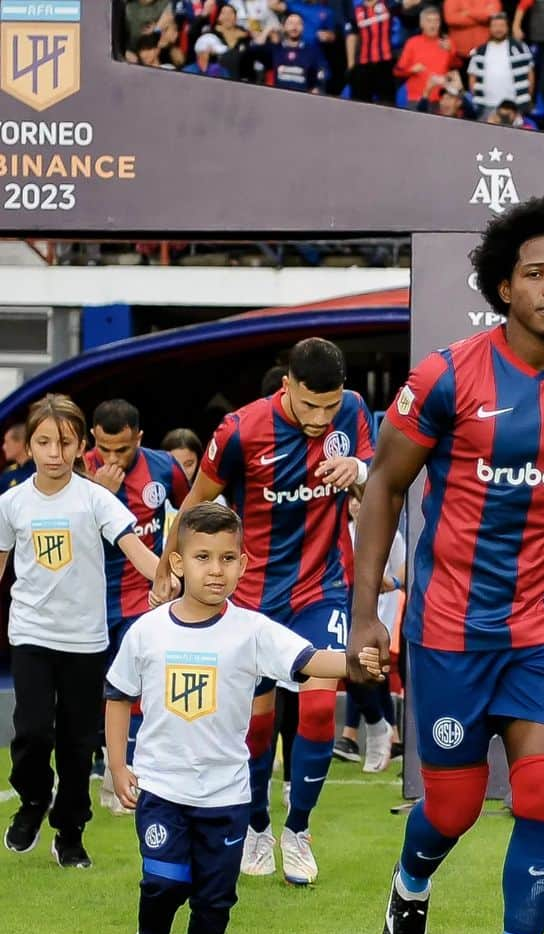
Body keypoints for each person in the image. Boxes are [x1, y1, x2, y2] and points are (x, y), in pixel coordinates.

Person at [347, 197, 544, 934]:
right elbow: (383, 489)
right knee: (458, 808)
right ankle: (410, 887)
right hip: (448, 630)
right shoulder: (446, 375)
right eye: (536, 275)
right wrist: (366, 614)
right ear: (503, 286)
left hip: (543, 629)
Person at [107, 504, 351, 934]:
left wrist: (359, 661)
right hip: (162, 788)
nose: (215, 570)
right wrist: (117, 764)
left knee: (215, 899)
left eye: (226, 559)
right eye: (202, 557)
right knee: (166, 880)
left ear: (244, 564)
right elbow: (118, 695)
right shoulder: (148, 632)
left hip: (227, 796)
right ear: (176, 564)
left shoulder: (253, 630)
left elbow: (306, 661)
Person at [154, 339, 375, 886]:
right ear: (286, 388)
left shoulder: (353, 413)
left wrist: (359, 470)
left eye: (331, 406)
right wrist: (169, 564)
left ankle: (298, 831)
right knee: (256, 725)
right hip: (253, 598)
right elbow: (196, 505)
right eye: (310, 407)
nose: (322, 419)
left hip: (322, 587)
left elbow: (382, 471)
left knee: (321, 711)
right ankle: (257, 827)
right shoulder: (239, 430)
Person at [0, 395, 161, 867]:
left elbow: (134, 547)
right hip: (30, 634)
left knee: (77, 742)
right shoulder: (10, 503)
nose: (54, 452)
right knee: (31, 731)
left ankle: (70, 832)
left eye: (64, 442)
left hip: (86, 640)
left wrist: (172, 581)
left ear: (80, 446)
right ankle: (33, 800)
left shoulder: (96, 498)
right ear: (28, 446)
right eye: (44, 441)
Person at [84, 400, 192, 815]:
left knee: (139, 689)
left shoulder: (165, 469)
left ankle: (129, 781)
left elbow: (190, 514)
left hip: (142, 598)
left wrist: (176, 569)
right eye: (105, 449)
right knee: (96, 691)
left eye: (123, 450)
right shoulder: (77, 474)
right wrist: (99, 495)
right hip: (88, 600)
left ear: (139, 439)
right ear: (93, 438)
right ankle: (101, 765)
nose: (112, 459)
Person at [334, 498, 404, 771]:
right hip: (337, 606)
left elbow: (402, 567)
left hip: (377, 615)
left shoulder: (391, 534)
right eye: (351, 499)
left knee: (371, 671)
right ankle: (372, 732)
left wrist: (393, 584)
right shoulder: (341, 532)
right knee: (352, 667)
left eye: (361, 498)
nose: (355, 505)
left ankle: (360, 734)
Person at [468, 12, 535, 118]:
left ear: (507, 27)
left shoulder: (520, 48)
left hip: (514, 106)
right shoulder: (480, 51)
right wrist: (477, 98)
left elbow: (530, 74)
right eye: (495, 26)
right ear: (489, 28)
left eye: (501, 26)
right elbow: (472, 77)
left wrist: (526, 98)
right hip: (487, 105)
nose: (498, 29)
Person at [394, 6, 460, 107]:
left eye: (436, 21)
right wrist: (411, 70)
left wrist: (450, 51)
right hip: (417, 98)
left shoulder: (447, 42)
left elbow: (457, 67)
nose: (433, 25)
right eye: (429, 21)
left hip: (441, 100)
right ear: (422, 24)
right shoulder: (412, 43)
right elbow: (397, 71)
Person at [345, 0, 398, 104]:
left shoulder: (389, 4)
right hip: (363, 66)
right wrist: (351, 65)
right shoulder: (356, 10)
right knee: (359, 105)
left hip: (385, 64)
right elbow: (351, 36)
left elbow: (407, 7)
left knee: (387, 105)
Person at [2, 422, 34, 490]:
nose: (3, 447)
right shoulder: (8, 473)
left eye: (7, 442)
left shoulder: (38, 471)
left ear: (20, 443)